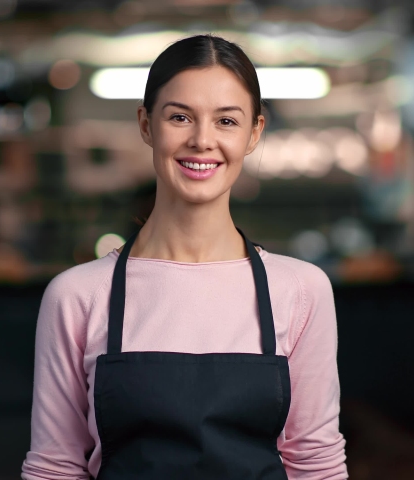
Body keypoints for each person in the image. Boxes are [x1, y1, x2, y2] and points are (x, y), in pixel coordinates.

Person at [22, 34, 347, 480]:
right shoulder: (77, 296)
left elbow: (316, 465)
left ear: (254, 133)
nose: (202, 140)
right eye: (180, 117)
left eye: (227, 122)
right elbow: (55, 469)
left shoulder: (301, 291)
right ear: (146, 124)